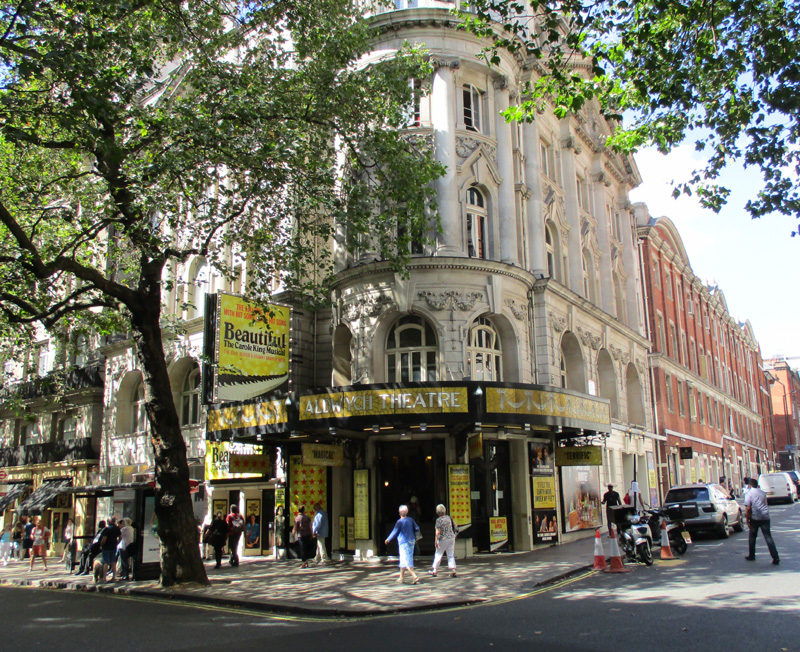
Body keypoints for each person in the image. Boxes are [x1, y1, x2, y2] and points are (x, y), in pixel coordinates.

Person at [744, 478, 779, 565]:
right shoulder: (762, 493)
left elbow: (748, 508)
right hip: (765, 517)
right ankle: (775, 557)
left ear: (750, 485)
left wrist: (747, 519)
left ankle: (752, 555)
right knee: (768, 537)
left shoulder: (749, 493)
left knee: (752, 537)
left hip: (755, 518)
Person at [385, 504, 420, 585]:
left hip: (403, 542)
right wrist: (416, 537)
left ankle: (414, 576)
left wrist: (388, 539)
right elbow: (417, 528)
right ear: (407, 512)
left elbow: (394, 531)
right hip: (411, 541)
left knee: (406, 560)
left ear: (399, 513)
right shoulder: (411, 520)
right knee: (405, 559)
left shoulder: (399, 522)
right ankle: (401, 577)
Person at [428, 504, 457, 578]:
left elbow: (437, 532)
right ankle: (453, 570)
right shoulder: (449, 517)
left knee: (438, 554)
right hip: (451, 538)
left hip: (443, 539)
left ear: (437, 512)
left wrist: (435, 542)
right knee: (450, 555)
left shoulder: (439, 520)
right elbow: (455, 525)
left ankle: (434, 570)